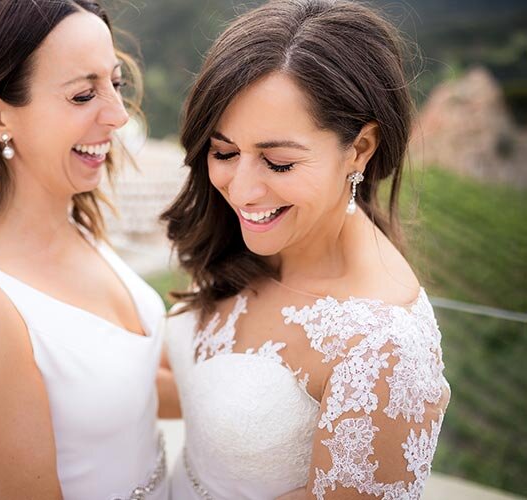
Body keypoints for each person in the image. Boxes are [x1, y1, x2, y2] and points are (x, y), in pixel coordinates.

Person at [159, 0, 451, 498]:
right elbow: (199, 393)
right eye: (224, 152)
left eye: (277, 163)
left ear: (359, 149)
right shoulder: (252, 239)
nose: (243, 191)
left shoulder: (382, 350)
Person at [0, 1, 168, 498]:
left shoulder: (77, 225)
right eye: (84, 94)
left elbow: (132, 383)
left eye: (115, 83)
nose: (118, 115)